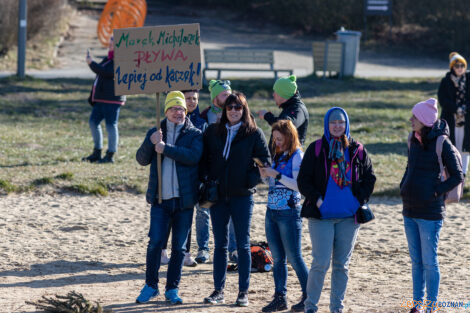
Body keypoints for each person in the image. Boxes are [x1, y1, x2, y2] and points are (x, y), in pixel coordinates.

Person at [297, 107, 376, 313]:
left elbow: (370, 178)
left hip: (349, 218)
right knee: (320, 263)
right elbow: (303, 181)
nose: (337, 126)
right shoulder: (316, 149)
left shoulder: (357, 150)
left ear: (347, 124)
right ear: (326, 124)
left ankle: (336, 308)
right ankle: (310, 307)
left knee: (341, 265)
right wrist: (318, 200)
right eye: (333, 122)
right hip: (321, 216)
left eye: (341, 122)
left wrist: (358, 201)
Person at [201, 92, 270, 307]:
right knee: (220, 244)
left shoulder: (254, 133)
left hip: (242, 197)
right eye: (230, 107)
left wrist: (248, 181)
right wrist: (208, 180)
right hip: (218, 197)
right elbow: (204, 160)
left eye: (238, 108)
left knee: (242, 244)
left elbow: (264, 163)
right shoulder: (213, 132)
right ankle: (218, 290)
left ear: (244, 110)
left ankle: (243, 293)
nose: (233, 111)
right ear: (224, 110)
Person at [135, 91, 203, 305]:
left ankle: (172, 289)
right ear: (166, 111)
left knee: (179, 248)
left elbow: (192, 157)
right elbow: (141, 159)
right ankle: (150, 286)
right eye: (173, 108)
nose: (178, 112)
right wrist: (151, 142)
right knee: (155, 243)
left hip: (184, 201)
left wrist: (166, 149)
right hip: (160, 200)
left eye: (181, 109)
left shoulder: (195, 133)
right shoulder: (156, 131)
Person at [400, 99, 464, 313]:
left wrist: (437, 191)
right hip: (409, 210)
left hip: (430, 212)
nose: (411, 120)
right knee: (416, 262)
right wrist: (403, 186)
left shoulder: (441, 142)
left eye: (414, 117)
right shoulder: (412, 138)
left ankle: (431, 306)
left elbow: (458, 175)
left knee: (429, 262)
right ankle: (416, 306)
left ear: (425, 120)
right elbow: (409, 167)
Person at [259, 120, 308, 313]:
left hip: (289, 213)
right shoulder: (277, 155)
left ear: (289, 137)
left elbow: (299, 186)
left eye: (280, 139)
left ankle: (308, 296)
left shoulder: (297, 156)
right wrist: (264, 172)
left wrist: (276, 174)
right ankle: (280, 297)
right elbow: (270, 182)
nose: (276, 142)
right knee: (277, 258)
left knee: (295, 258)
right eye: (274, 139)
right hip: (271, 212)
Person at [160, 89, 207, 267]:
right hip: (169, 179)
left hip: (190, 178)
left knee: (186, 219)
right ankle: (164, 250)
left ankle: (186, 252)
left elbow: (198, 153)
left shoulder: (200, 124)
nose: (191, 102)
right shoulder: (164, 126)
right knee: (168, 218)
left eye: (194, 99)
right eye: (188, 99)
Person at [201, 79, 239, 263]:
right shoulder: (204, 116)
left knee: (231, 213)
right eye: (224, 94)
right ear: (215, 97)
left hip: (231, 171)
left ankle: (232, 249)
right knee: (204, 210)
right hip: (210, 169)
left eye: (229, 93)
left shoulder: (235, 114)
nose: (228, 97)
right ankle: (204, 248)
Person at [82, 36, 126, 164]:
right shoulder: (108, 58)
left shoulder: (120, 59)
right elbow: (100, 70)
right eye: (110, 44)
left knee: (111, 125)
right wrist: (92, 63)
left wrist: (91, 63)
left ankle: (110, 155)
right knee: (93, 122)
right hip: (101, 99)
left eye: (113, 44)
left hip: (112, 99)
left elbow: (106, 72)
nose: (110, 46)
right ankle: (97, 152)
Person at [437, 52, 470, 176]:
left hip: (467, 118)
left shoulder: (469, 79)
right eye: (457, 66)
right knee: (451, 146)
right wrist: (456, 109)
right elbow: (443, 99)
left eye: (462, 65)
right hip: (450, 118)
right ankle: (451, 172)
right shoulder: (446, 81)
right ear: (452, 67)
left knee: (466, 146)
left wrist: (465, 108)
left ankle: (463, 173)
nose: (460, 68)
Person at [257, 75, 309, 148]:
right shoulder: (290, 107)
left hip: (290, 158)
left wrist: (267, 116)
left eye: (275, 92)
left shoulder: (298, 109)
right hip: (280, 158)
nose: (273, 95)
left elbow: (284, 125)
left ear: (283, 94)